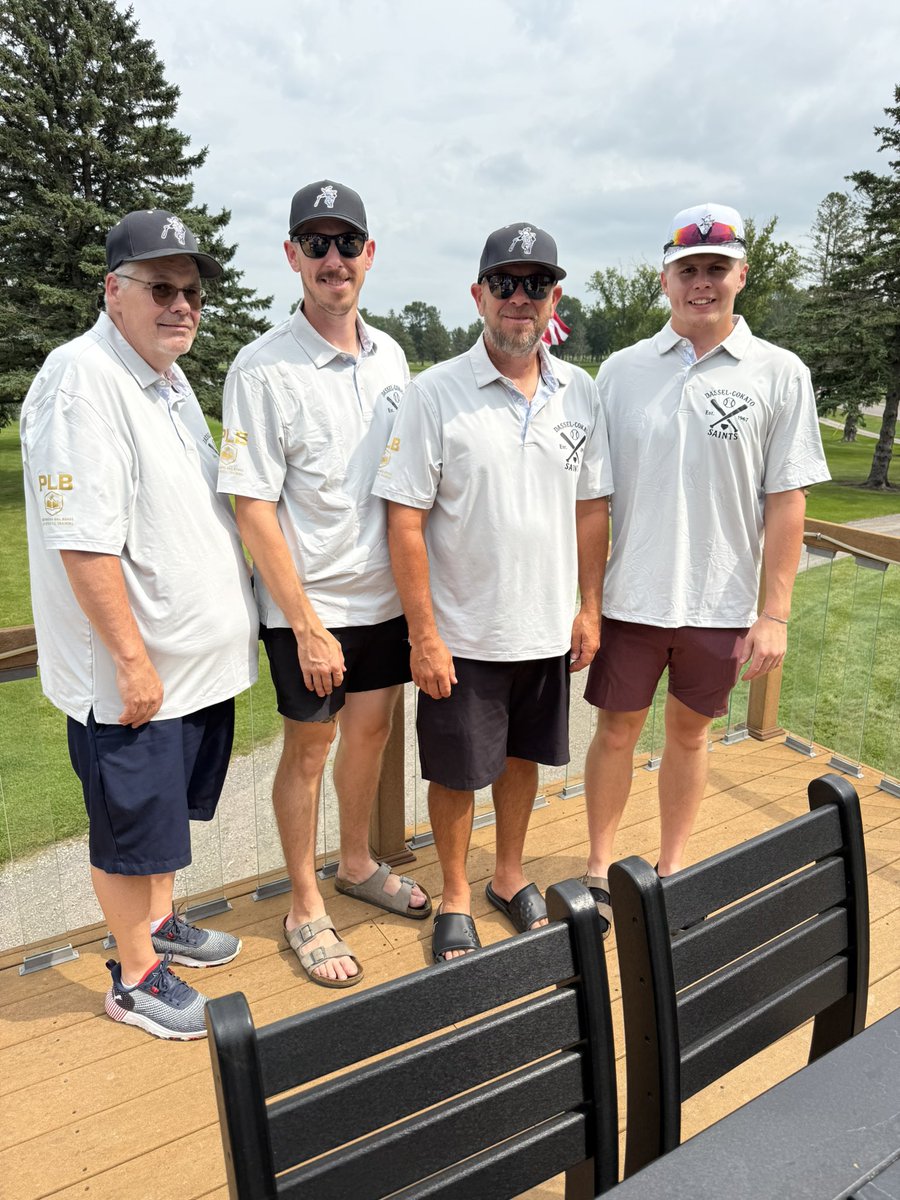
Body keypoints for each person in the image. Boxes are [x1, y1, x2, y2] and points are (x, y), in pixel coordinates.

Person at [20, 209, 259, 1039]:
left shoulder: (167, 379)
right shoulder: (81, 379)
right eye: (161, 288)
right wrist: (129, 659)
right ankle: (134, 976)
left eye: (191, 292)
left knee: (161, 819)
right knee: (128, 828)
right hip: (135, 676)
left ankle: (158, 925)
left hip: (188, 669)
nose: (181, 305)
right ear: (113, 291)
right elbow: (82, 541)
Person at [581, 202, 830, 933]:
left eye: (716, 268)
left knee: (689, 739)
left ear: (741, 276)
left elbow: (787, 501)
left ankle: (671, 871)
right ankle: (597, 869)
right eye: (687, 268)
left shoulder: (779, 373)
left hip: (719, 604)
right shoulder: (622, 372)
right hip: (632, 598)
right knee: (616, 735)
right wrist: (587, 602)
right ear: (665, 279)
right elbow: (592, 498)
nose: (701, 282)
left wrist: (774, 613)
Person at [373, 223, 613, 962]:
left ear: (554, 299)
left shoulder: (580, 392)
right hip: (462, 634)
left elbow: (590, 507)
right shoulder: (435, 393)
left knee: (520, 761)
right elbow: (404, 520)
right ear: (478, 295)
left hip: (544, 628)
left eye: (536, 284)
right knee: (455, 774)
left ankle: (508, 877)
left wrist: (589, 606)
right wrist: (423, 636)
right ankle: (454, 894)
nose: (520, 298)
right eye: (505, 283)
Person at [217, 180, 430, 989]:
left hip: (381, 599)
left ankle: (357, 864)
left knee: (371, 735)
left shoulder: (392, 357)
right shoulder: (261, 367)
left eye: (346, 244)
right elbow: (252, 506)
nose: (332, 259)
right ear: (293, 256)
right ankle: (303, 904)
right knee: (310, 749)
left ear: (369, 255)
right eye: (316, 244)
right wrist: (305, 625)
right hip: (308, 608)